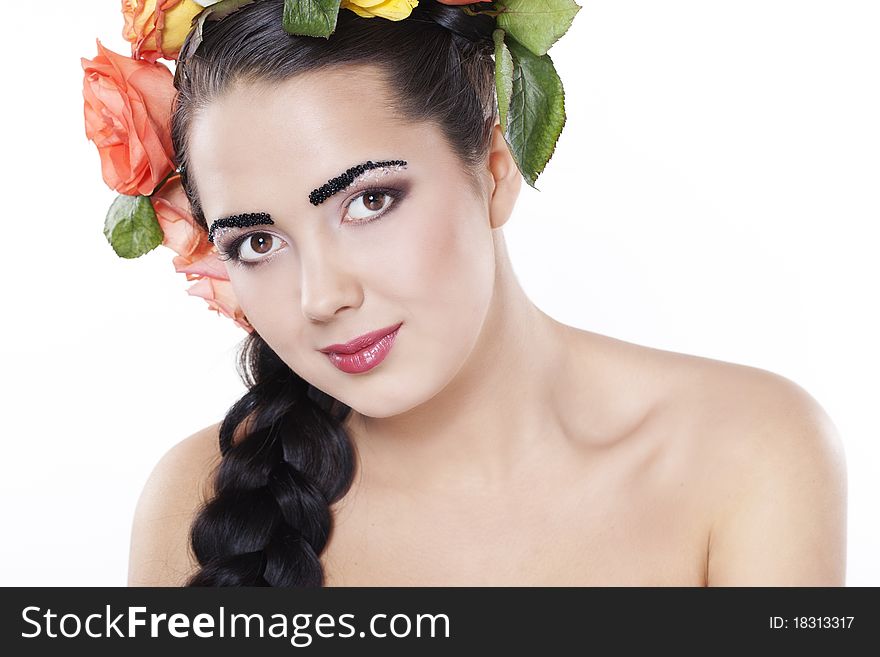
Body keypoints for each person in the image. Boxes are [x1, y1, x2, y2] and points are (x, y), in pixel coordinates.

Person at [112, 0, 846, 586]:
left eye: (368, 202)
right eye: (257, 242)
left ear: (495, 167)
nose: (321, 296)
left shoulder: (746, 454)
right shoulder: (195, 500)